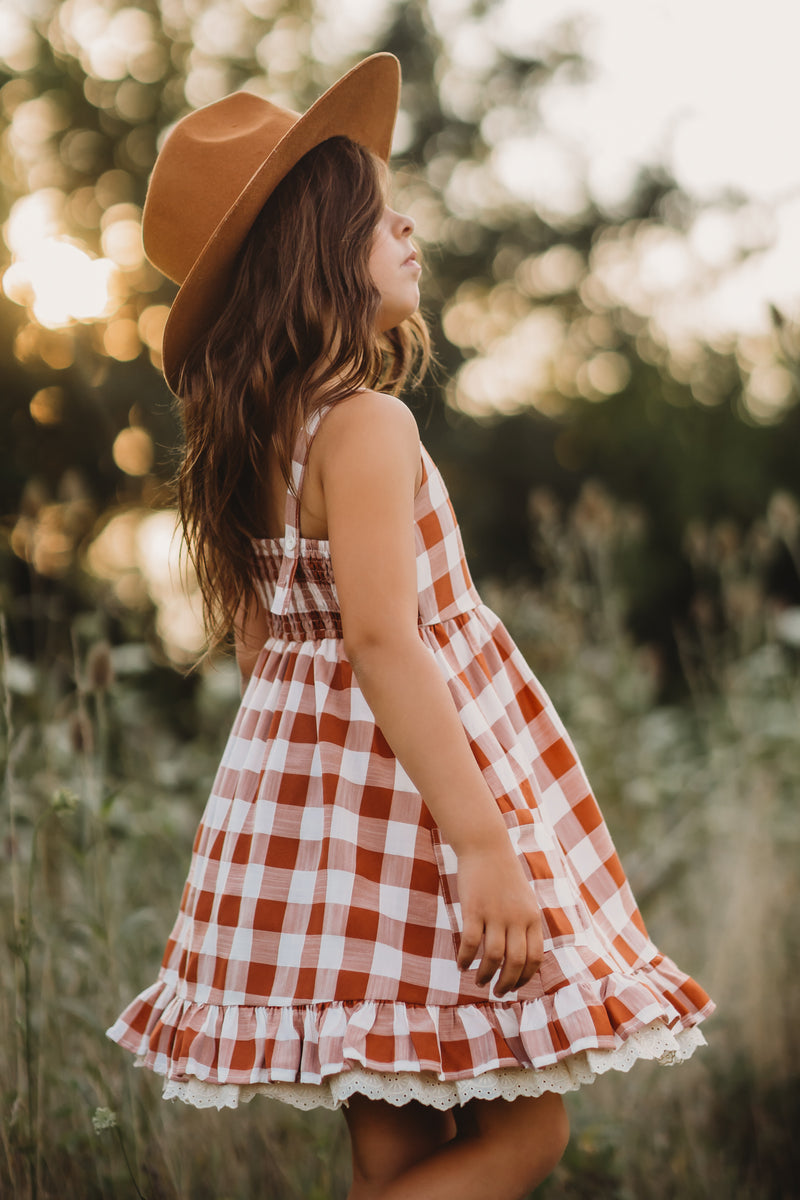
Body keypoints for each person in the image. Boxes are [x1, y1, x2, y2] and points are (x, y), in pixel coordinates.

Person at [107, 53, 714, 1200]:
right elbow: (384, 641)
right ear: (315, 251)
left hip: (331, 846)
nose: (410, 227)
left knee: (395, 1155)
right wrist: (484, 847)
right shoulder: (367, 425)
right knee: (528, 1141)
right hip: (428, 828)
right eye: (380, 215)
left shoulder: (256, 448)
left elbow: (265, 657)